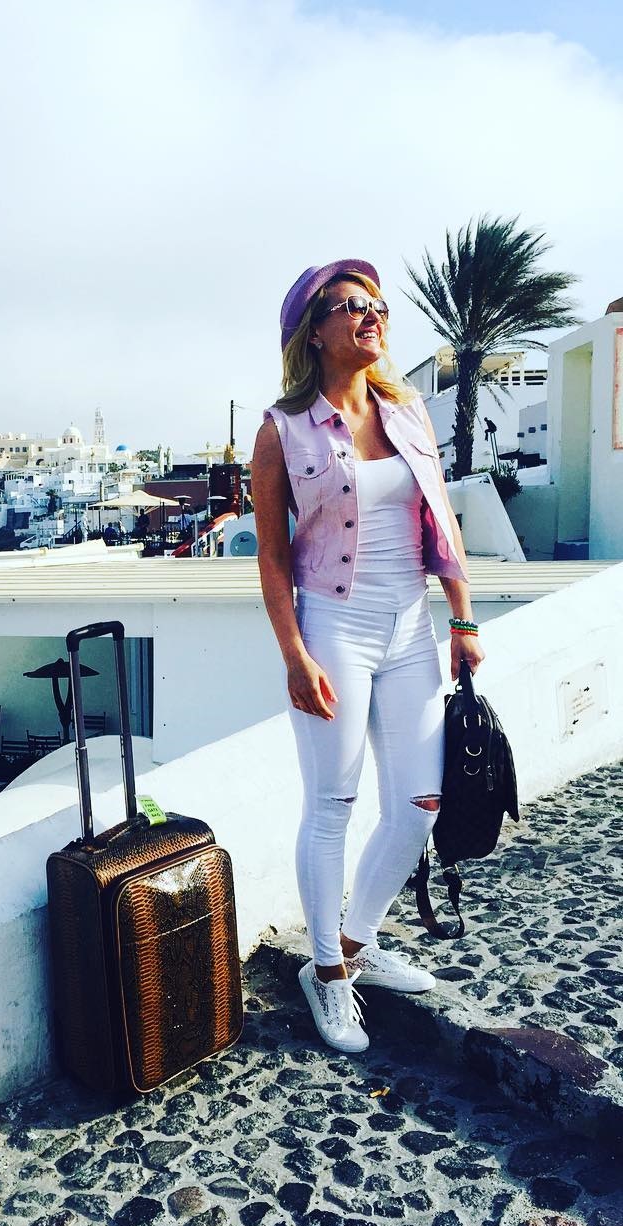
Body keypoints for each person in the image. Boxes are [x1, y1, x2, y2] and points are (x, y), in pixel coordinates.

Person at [251, 259, 484, 1053]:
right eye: (351, 305)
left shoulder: (408, 411)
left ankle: (357, 942)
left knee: (419, 804)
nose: (370, 314)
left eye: (376, 304)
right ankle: (326, 973)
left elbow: (441, 518)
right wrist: (294, 653)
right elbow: (272, 556)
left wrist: (463, 618)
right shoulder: (281, 431)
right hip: (333, 627)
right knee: (333, 805)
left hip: (411, 625)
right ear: (314, 331)